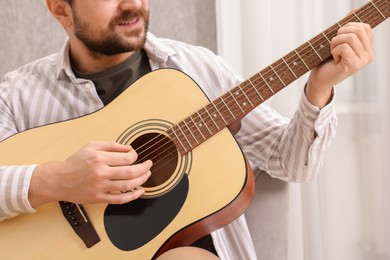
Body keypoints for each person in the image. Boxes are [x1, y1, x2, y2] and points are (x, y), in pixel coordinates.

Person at [0, 0, 374, 259]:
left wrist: (319, 89)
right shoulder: (18, 94)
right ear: (60, 9)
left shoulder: (198, 68)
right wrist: (58, 179)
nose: (133, 4)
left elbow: (292, 165)